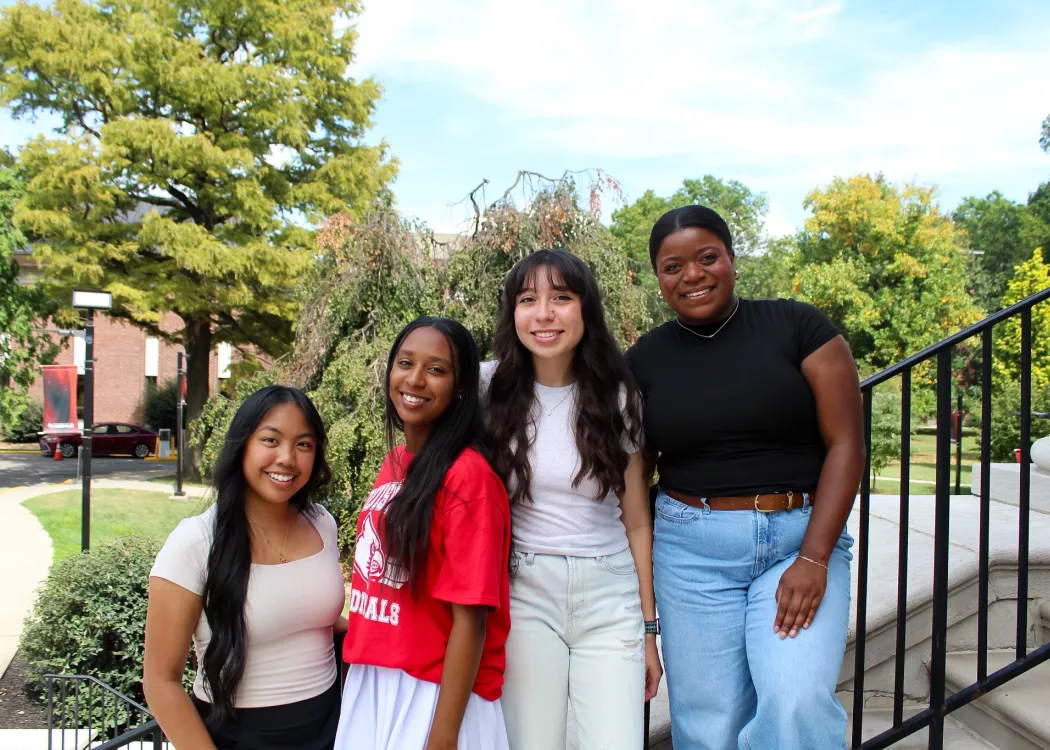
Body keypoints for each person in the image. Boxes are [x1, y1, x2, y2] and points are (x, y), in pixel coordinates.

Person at [625, 205, 865, 750]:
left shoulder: (800, 327)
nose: (692, 275)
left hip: (797, 540)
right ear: (657, 278)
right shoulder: (644, 359)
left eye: (707, 257)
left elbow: (847, 445)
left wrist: (814, 557)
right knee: (710, 724)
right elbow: (630, 471)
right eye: (672, 265)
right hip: (691, 552)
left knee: (797, 701)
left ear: (732, 258)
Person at [483, 249, 662, 750]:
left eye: (561, 297)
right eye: (528, 299)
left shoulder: (619, 396)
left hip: (610, 594)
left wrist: (649, 631)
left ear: (586, 309)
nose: (544, 314)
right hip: (524, 592)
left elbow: (636, 523)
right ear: (512, 311)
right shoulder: (486, 390)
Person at [335, 316, 512, 750]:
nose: (415, 379)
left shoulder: (469, 478)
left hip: (432, 693)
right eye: (405, 363)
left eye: (436, 369)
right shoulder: (395, 461)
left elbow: (471, 618)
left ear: (461, 389)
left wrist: (444, 735)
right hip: (375, 679)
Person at [144, 385, 346, 750]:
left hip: (333, 728)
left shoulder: (322, 523)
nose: (287, 458)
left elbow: (314, 618)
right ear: (242, 446)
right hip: (237, 736)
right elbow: (160, 681)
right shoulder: (195, 543)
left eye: (304, 444)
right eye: (271, 440)